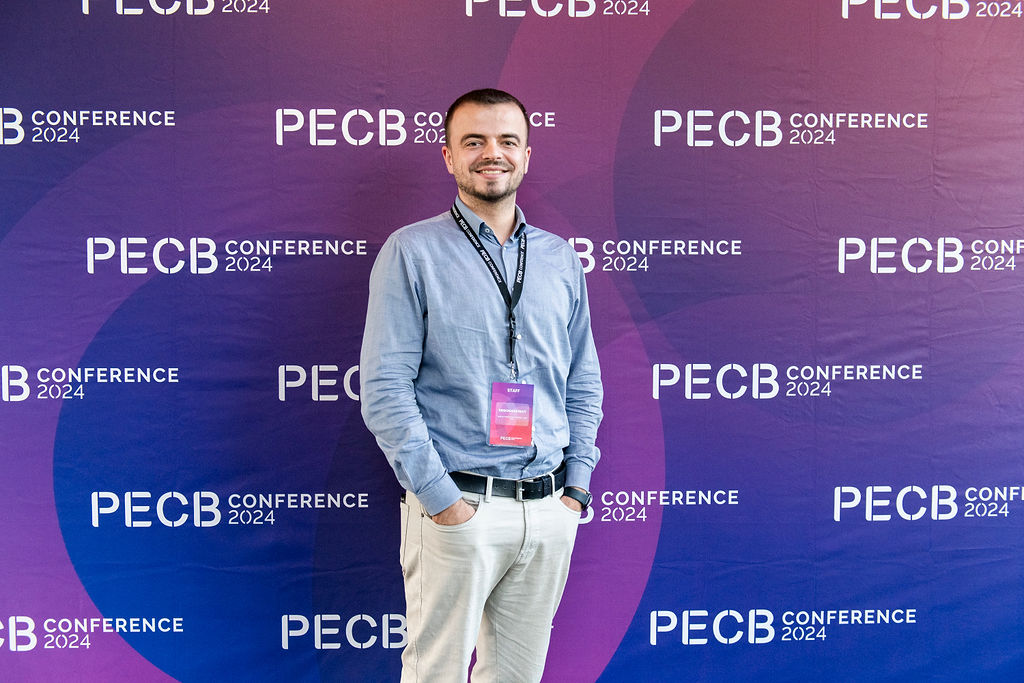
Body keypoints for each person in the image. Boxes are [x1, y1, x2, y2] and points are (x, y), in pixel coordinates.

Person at [360, 88, 603, 683]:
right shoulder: (412, 251)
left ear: (527, 155)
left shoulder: (559, 259)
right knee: (435, 674)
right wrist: (442, 500)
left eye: (507, 141)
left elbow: (582, 379)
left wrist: (575, 487)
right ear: (449, 157)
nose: (492, 153)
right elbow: (385, 388)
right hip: (459, 505)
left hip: (547, 506)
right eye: (474, 141)